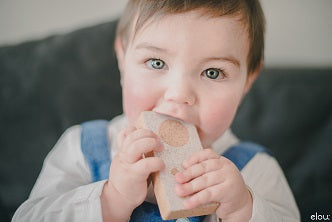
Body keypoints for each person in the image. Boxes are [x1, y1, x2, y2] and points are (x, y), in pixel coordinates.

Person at [12, 0, 300, 221]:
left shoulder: (254, 170)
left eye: (212, 72)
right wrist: (112, 199)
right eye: (157, 63)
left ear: (248, 81)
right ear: (123, 61)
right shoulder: (82, 148)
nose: (179, 95)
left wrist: (242, 209)